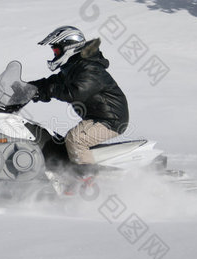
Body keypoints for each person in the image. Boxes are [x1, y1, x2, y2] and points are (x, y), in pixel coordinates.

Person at [29, 26, 129, 175]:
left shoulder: (89, 68)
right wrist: (28, 88)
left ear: (69, 47)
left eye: (56, 51)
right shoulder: (74, 67)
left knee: (76, 139)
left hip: (111, 120)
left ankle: (87, 181)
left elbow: (75, 93)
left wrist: (48, 91)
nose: (55, 54)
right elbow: (52, 83)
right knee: (58, 143)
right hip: (98, 117)